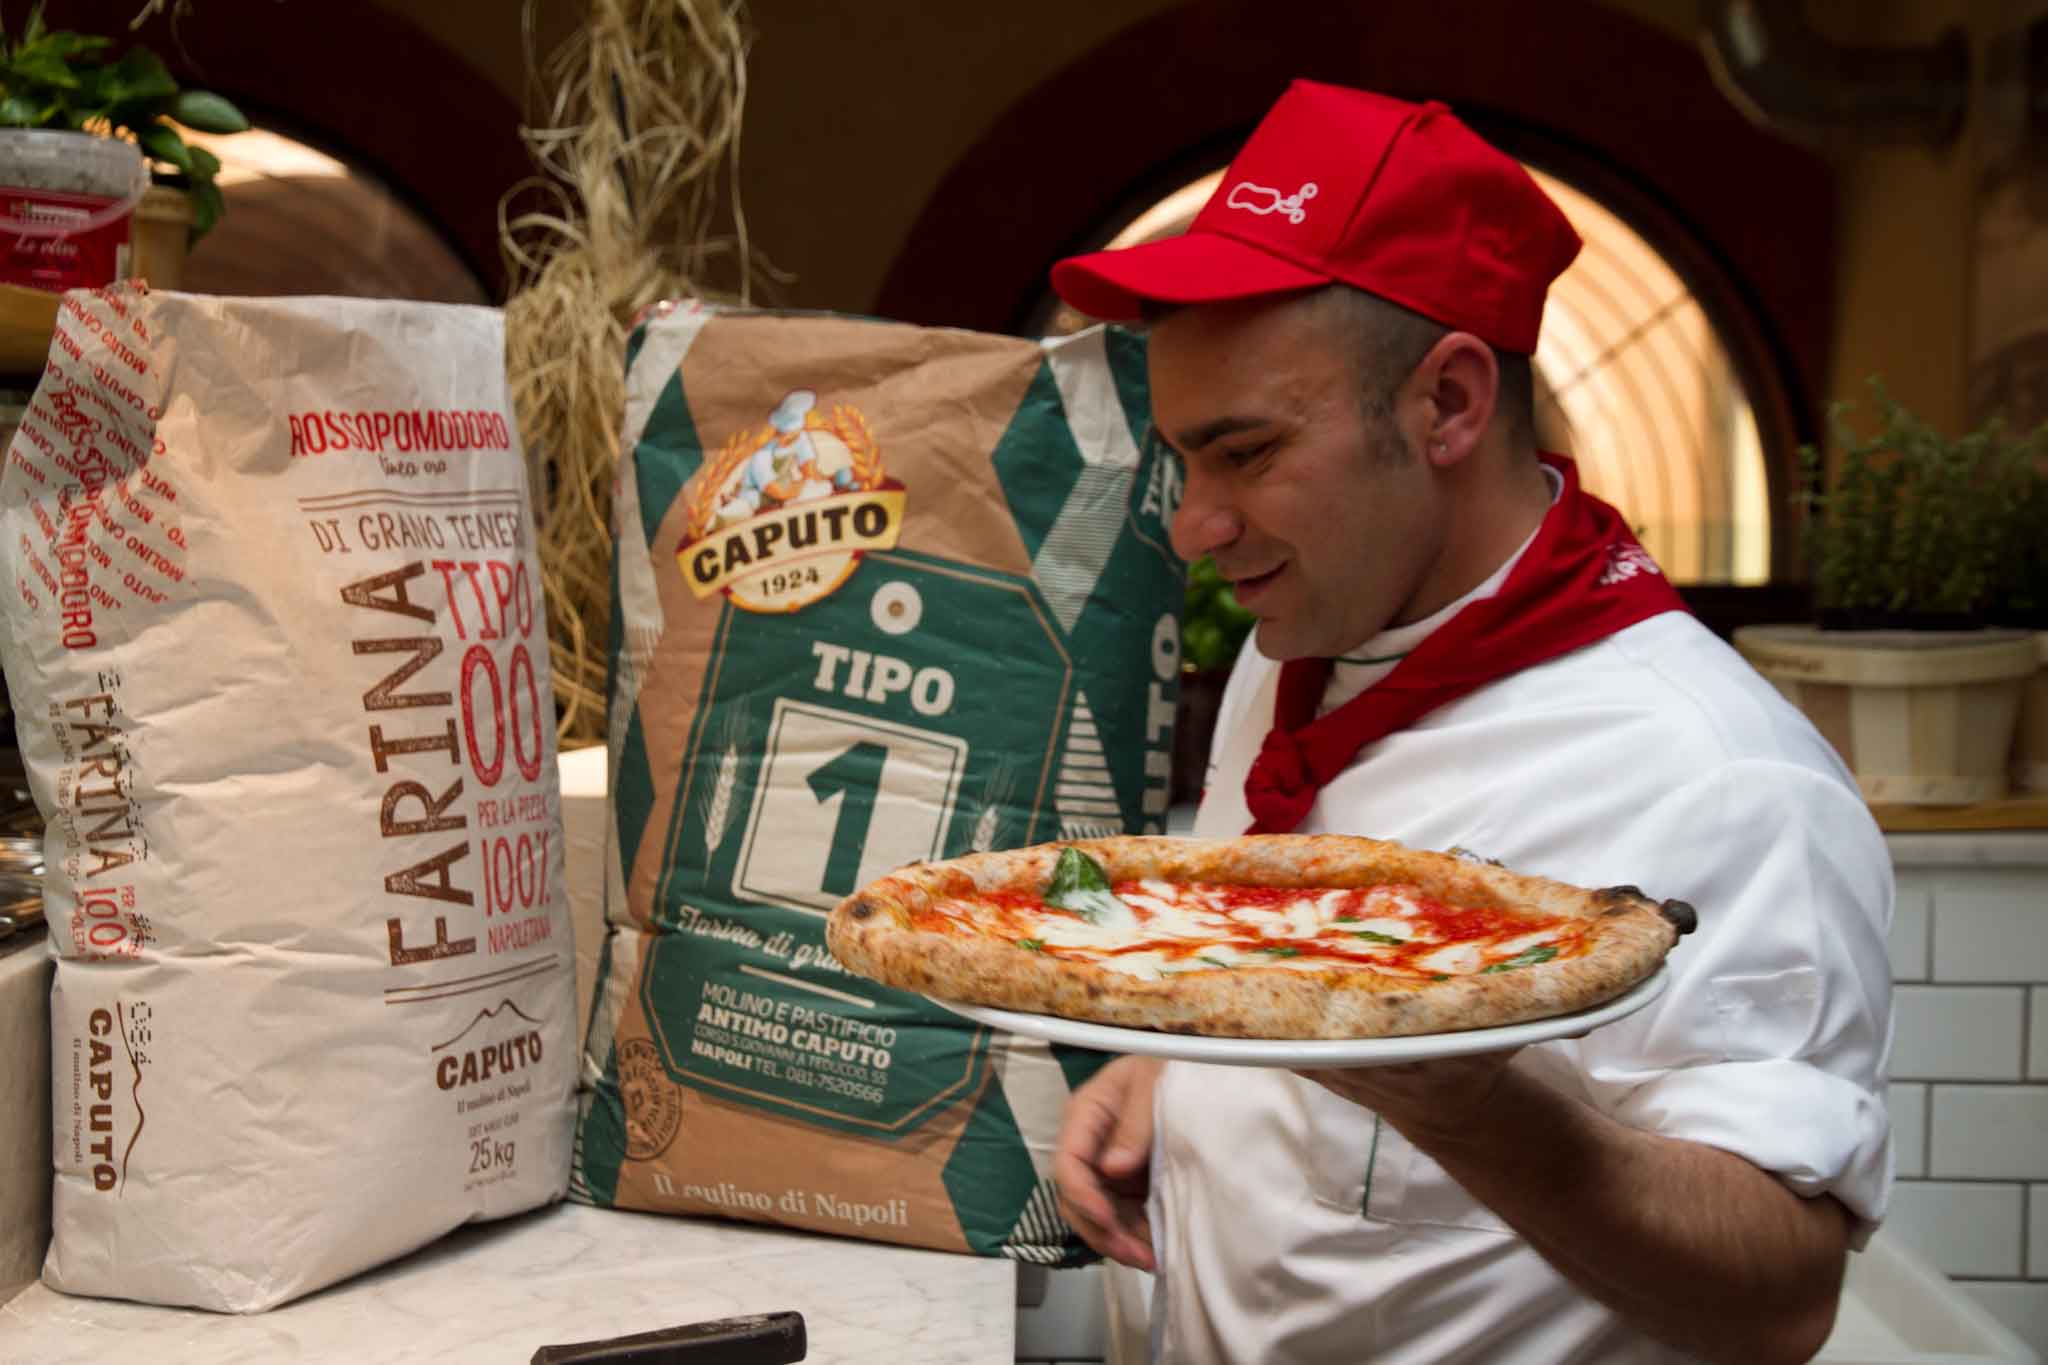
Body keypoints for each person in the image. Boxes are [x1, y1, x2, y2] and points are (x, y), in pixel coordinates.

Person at [1047, 80, 1893, 1364]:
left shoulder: (1720, 779)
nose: (1193, 525)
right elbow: (1306, 1044)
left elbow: (1779, 1296)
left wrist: (1475, 1100)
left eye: (1245, 453)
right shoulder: (1307, 659)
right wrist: (1184, 1084)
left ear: (1444, 405)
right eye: (1183, 460)